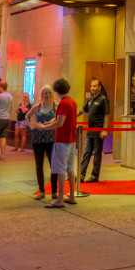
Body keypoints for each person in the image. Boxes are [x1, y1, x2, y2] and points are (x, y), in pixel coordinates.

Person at [43, 79, 77, 209]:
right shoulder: (72, 102)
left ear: (56, 90)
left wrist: (45, 127)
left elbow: (60, 123)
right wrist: (52, 121)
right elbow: (63, 119)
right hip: (72, 139)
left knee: (61, 169)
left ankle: (60, 199)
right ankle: (72, 196)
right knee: (70, 168)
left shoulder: (63, 103)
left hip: (62, 139)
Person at [27, 86, 58, 201]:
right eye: (45, 93)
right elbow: (27, 115)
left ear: (52, 94)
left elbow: (60, 119)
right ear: (42, 94)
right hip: (38, 139)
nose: (47, 95)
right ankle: (42, 191)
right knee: (39, 165)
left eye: (49, 92)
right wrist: (31, 126)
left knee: (53, 165)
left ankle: (54, 191)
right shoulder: (38, 106)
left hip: (52, 139)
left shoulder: (57, 106)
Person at [79, 78, 110, 183]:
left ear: (99, 87)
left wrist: (105, 130)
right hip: (89, 131)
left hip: (98, 131)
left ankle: (94, 176)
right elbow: (83, 110)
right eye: (91, 86)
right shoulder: (91, 100)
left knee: (97, 154)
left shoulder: (103, 99)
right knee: (86, 153)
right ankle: (81, 175)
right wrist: (72, 115)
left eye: (95, 86)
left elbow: (106, 115)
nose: (93, 88)